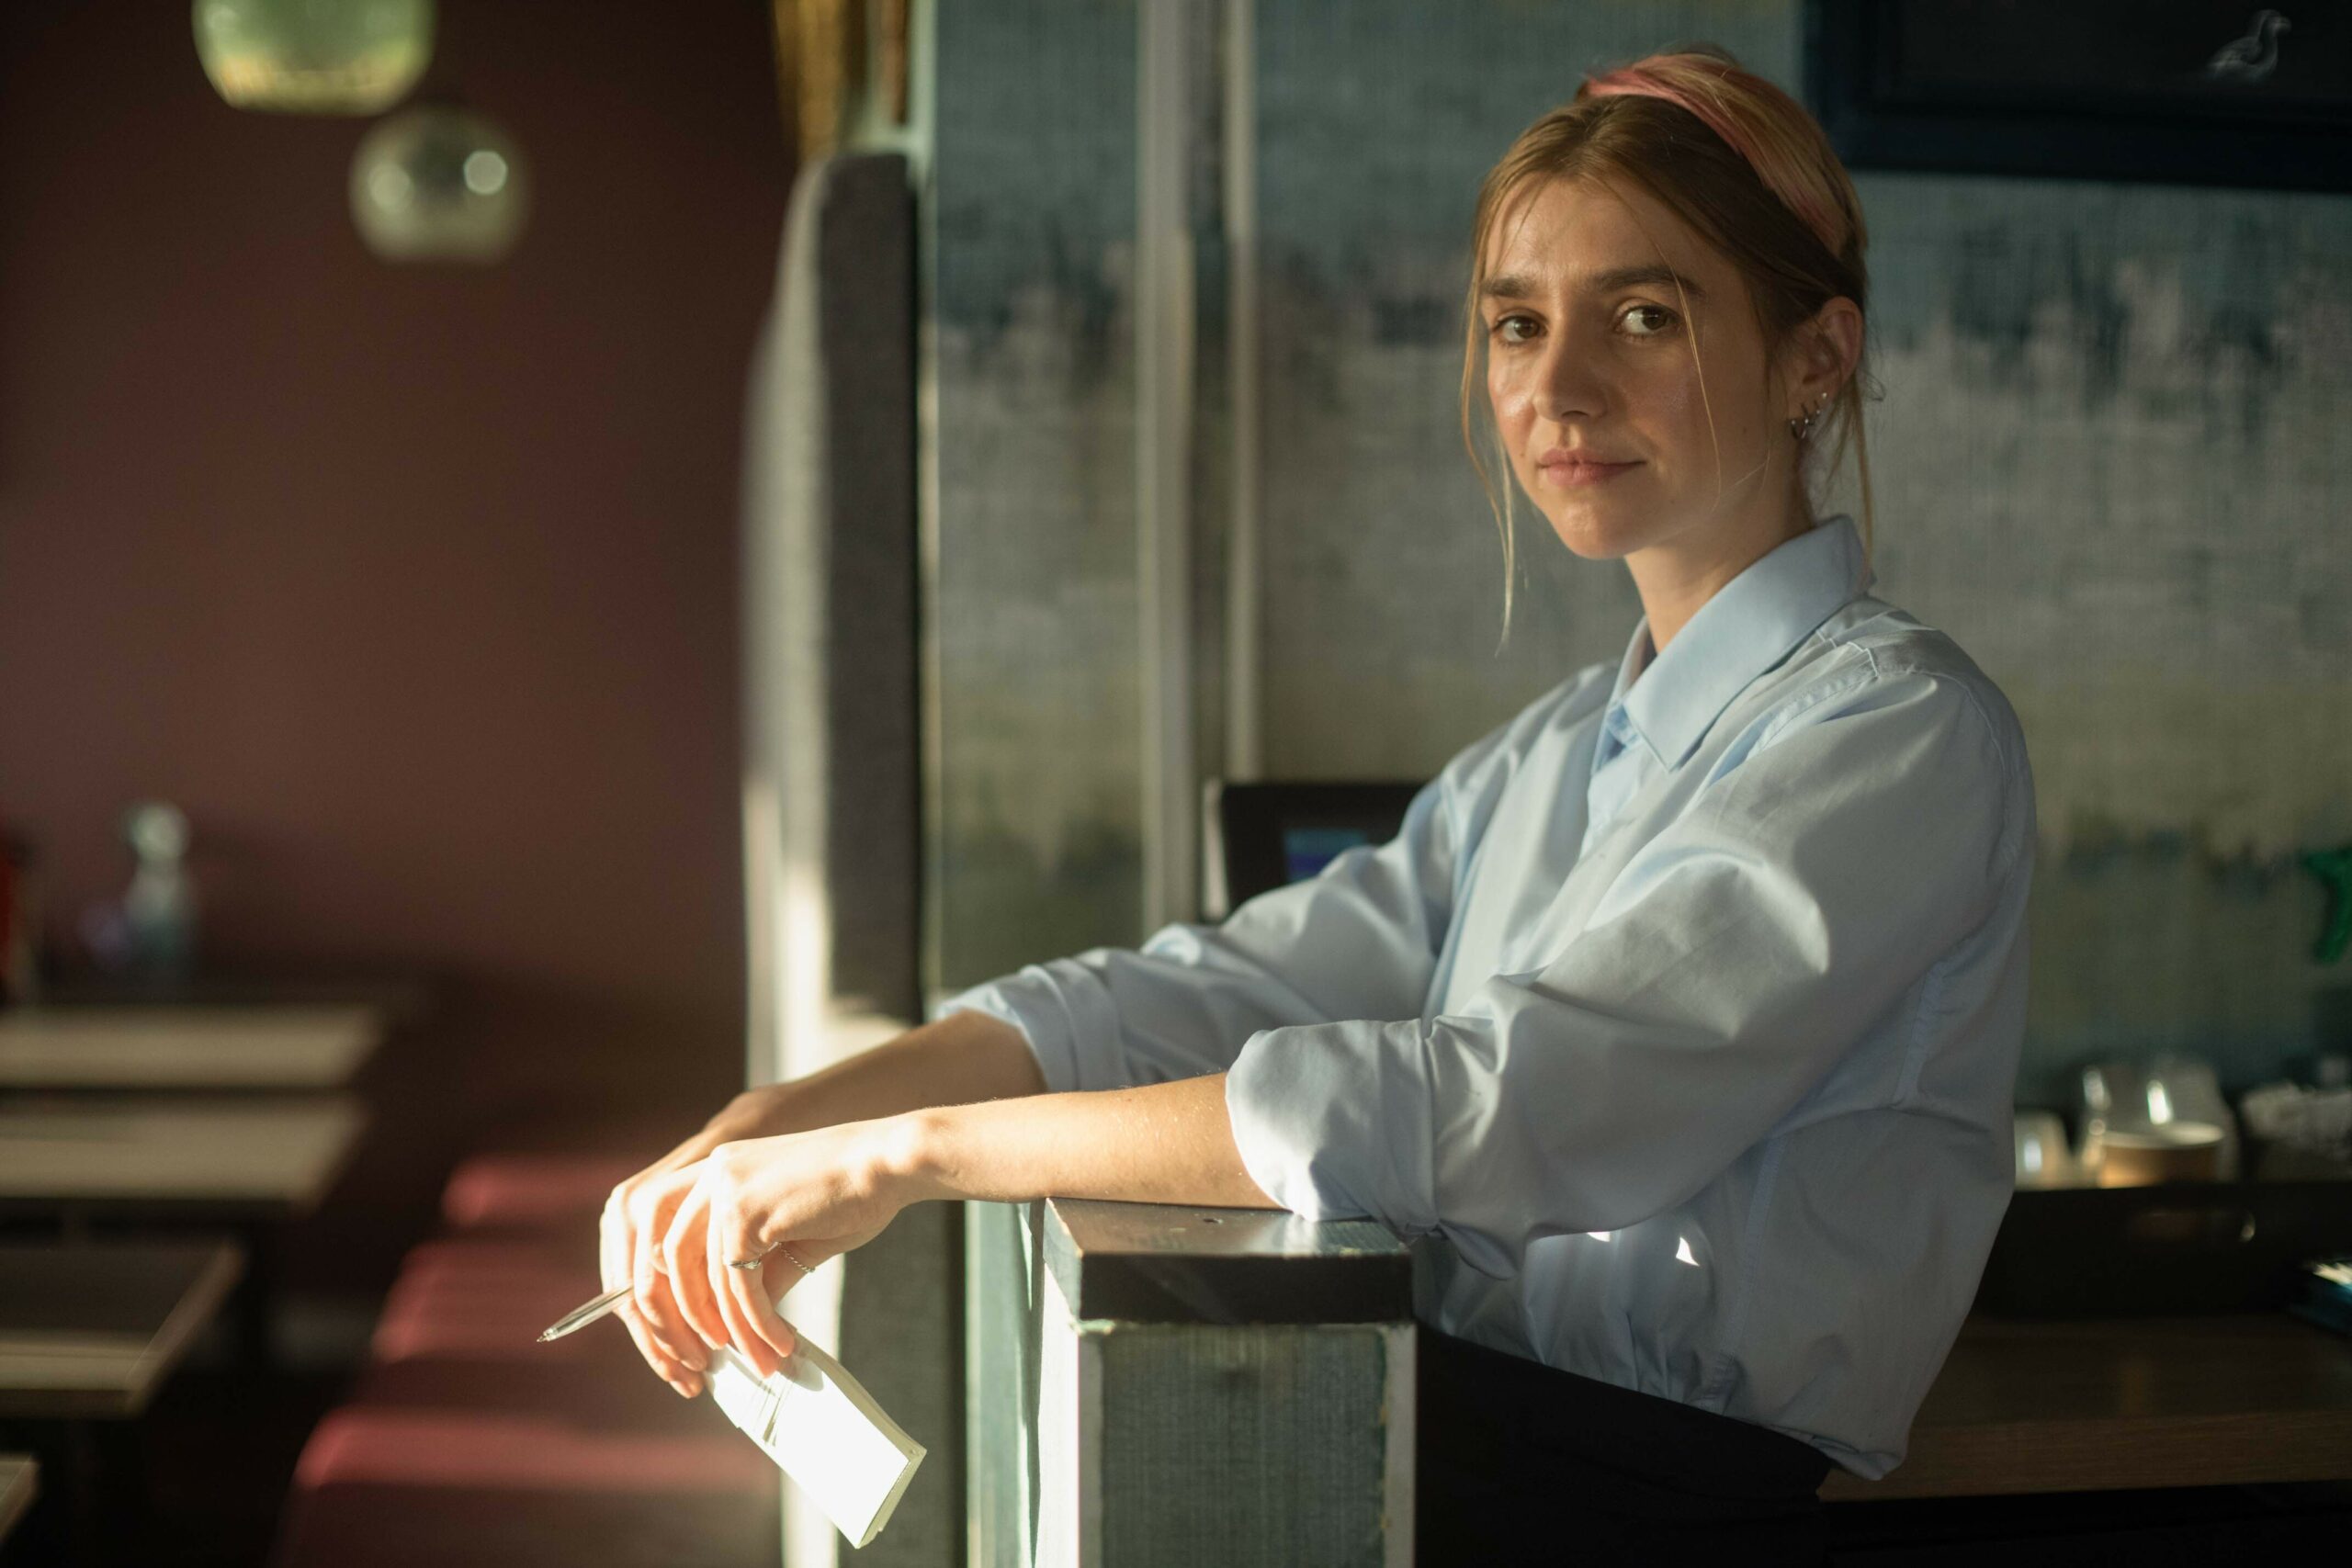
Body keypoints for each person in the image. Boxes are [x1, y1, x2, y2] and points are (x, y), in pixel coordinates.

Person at [601, 44, 2035, 1562]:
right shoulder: (1557, 750)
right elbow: (1232, 984)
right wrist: (806, 1108)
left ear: (1818, 356)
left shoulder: (1900, 730)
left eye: (1643, 315)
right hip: (1459, 1426)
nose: (1554, 388)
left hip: (1654, 1495)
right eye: (1515, 323)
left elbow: (1512, 1112)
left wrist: (912, 1159)